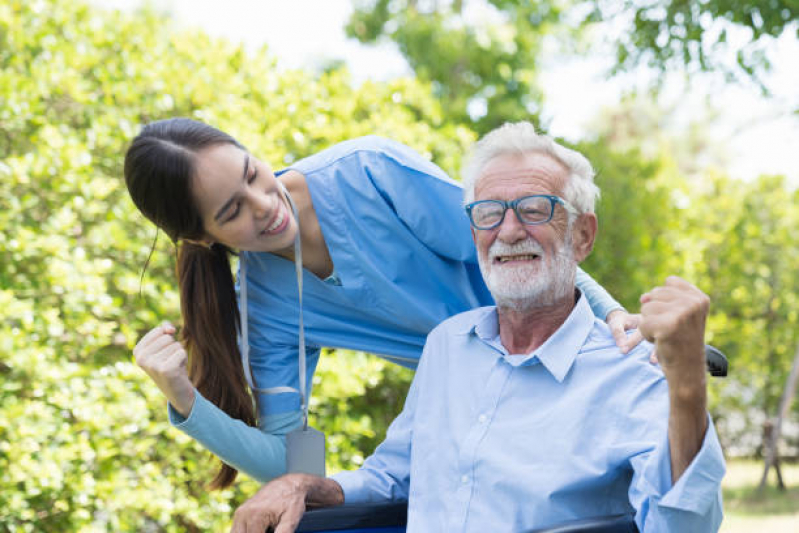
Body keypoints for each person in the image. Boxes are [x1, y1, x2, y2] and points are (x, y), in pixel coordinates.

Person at [229, 121, 725, 533]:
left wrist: (685, 385)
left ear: (582, 235)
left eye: (535, 210)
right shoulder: (447, 345)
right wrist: (299, 481)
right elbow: (388, 476)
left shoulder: (630, 370)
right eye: (489, 214)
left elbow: (685, 526)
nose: (508, 231)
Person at [124, 118, 641, 488]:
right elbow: (295, 464)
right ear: (202, 237)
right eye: (233, 210)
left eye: (252, 173)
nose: (265, 204)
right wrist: (184, 400)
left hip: (564, 359)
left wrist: (616, 317)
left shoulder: (368, 173)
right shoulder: (266, 307)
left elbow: (520, 240)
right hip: (476, 413)